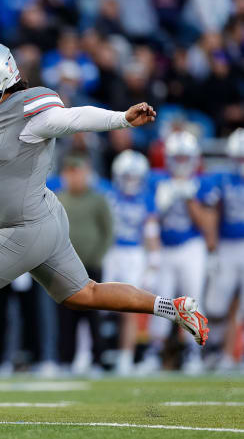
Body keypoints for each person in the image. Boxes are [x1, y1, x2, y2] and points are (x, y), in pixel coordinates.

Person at [0, 42, 209, 413]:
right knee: (85, 294)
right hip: (40, 219)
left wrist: (121, 119)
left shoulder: (30, 112)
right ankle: (175, 308)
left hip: (25, 227)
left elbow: (73, 119)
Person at [140, 131, 217, 374]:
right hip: (164, 248)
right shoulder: (156, 180)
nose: (182, 163)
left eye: (186, 158)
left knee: (193, 300)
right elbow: (149, 217)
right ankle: (154, 351)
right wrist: (163, 201)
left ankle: (194, 353)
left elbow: (207, 226)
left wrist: (189, 199)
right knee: (160, 301)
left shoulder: (202, 183)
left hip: (191, 247)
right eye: (178, 158)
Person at [56, 153, 113, 374]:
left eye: (78, 172)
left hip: (90, 264)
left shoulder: (98, 199)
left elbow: (107, 231)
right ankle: (66, 361)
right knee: (65, 316)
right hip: (64, 267)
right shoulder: (58, 198)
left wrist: (97, 256)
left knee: (93, 315)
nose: (75, 177)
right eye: (70, 173)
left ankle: (97, 359)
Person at [102, 150, 158, 375]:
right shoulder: (108, 194)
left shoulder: (146, 198)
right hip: (110, 251)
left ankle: (126, 357)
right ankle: (88, 353)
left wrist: (153, 262)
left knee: (130, 308)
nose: (131, 182)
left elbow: (150, 231)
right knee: (95, 303)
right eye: (127, 176)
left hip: (134, 254)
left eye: (135, 177)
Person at [203, 128, 244, 371]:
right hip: (227, 246)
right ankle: (215, 349)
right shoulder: (221, 178)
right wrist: (212, 248)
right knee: (216, 304)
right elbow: (212, 212)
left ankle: (231, 355)